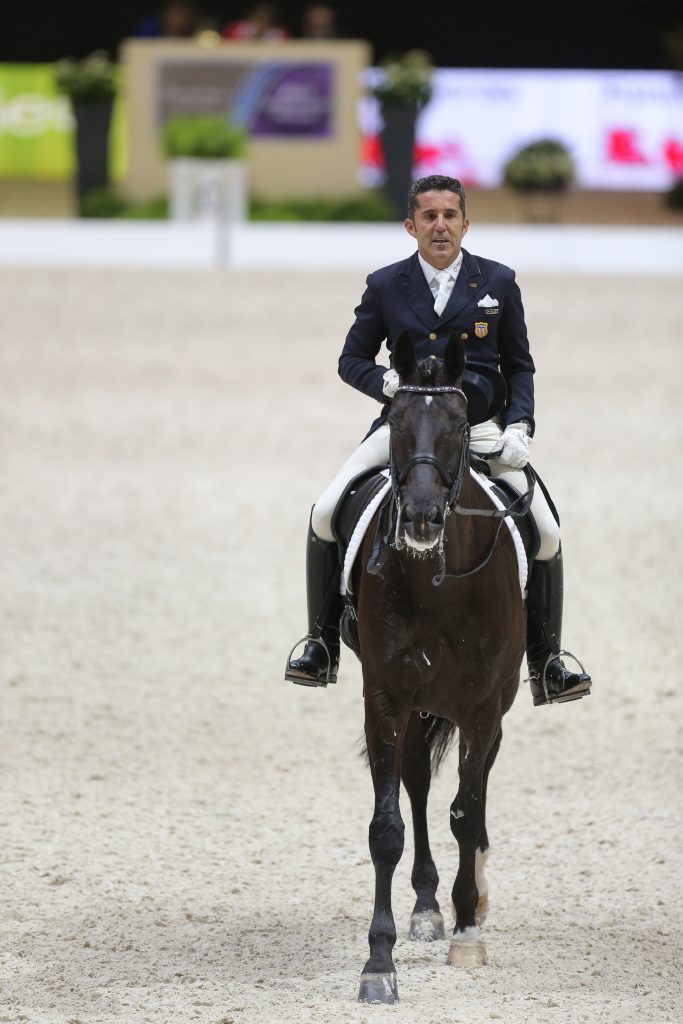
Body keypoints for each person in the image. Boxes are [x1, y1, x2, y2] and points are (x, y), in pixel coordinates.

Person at [284, 174, 592, 708]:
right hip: (407, 429)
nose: (440, 226)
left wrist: (520, 427)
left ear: (466, 223)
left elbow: (520, 367)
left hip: (480, 429)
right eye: (429, 217)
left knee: (544, 530)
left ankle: (548, 660)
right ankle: (321, 643)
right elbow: (350, 359)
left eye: (450, 215)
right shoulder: (385, 285)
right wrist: (387, 385)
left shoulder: (498, 281)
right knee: (325, 510)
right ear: (412, 226)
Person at [222, 3, 290, 40]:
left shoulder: (279, 33)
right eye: (259, 16)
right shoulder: (235, 28)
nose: (262, 20)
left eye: (265, 17)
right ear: (252, 15)